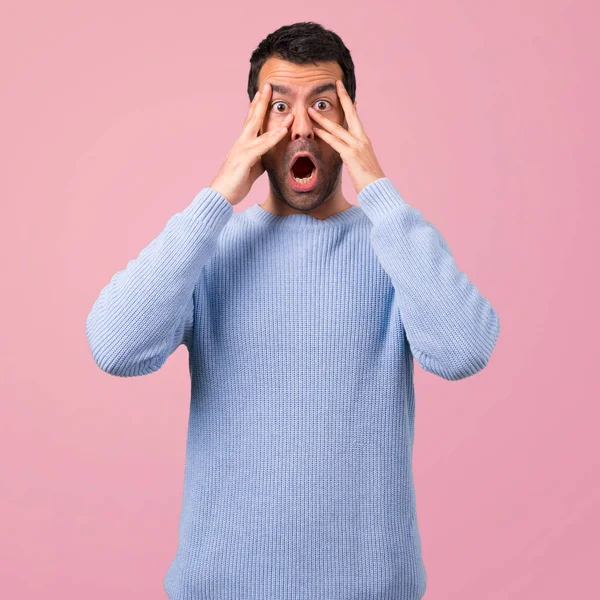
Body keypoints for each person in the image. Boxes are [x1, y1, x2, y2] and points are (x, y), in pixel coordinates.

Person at [86, 21, 500, 600]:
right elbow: (114, 346)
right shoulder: (211, 247)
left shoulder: (394, 245)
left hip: (371, 588)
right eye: (279, 106)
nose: (301, 125)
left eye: (324, 105)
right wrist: (218, 196)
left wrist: (376, 185)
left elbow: (463, 350)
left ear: (351, 121)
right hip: (220, 587)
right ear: (254, 122)